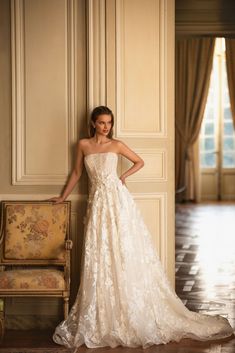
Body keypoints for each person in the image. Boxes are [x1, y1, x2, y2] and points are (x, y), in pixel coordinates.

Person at [52, 106, 234, 349]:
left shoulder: (116, 145)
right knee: (99, 254)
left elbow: (140, 161)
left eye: (109, 122)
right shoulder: (83, 145)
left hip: (117, 201)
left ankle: (131, 307)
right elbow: (76, 173)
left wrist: (123, 177)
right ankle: (104, 313)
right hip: (97, 204)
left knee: (123, 250)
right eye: (102, 122)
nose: (106, 127)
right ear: (93, 123)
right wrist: (63, 197)